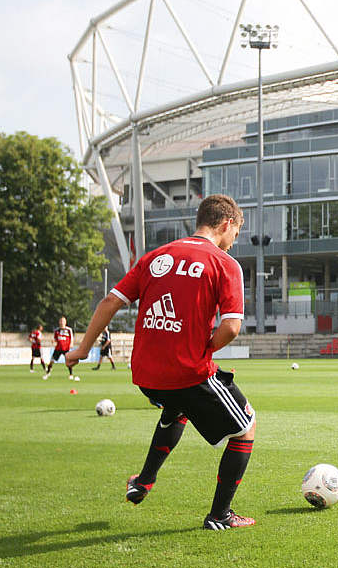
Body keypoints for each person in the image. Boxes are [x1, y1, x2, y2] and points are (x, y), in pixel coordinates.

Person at [65, 194, 256, 530]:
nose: (233, 241)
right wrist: (205, 350)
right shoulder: (224, 264)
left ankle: (143, 480)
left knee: (177, 406)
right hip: (189, 371)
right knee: (246, 428)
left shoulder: (156, 257)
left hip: (146, 375)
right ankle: (220, 515)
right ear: (227, 224)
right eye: (235, 234)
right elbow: (231, 327)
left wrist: (82, 350)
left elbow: (110, 302)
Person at [44, 316, 79, 381]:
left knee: (68, 362)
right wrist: (53, 341)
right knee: (51, 361)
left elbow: (71, 338)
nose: (62, 322)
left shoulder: (69, 330)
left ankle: (71, 374)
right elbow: (55, 339)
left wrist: (71, 344)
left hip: (66, 348)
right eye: (61, 321)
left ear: (65, 322)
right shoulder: (57, 330)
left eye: (63, 321)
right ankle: (47, 373)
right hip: (58, 348)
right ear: (59, 322)